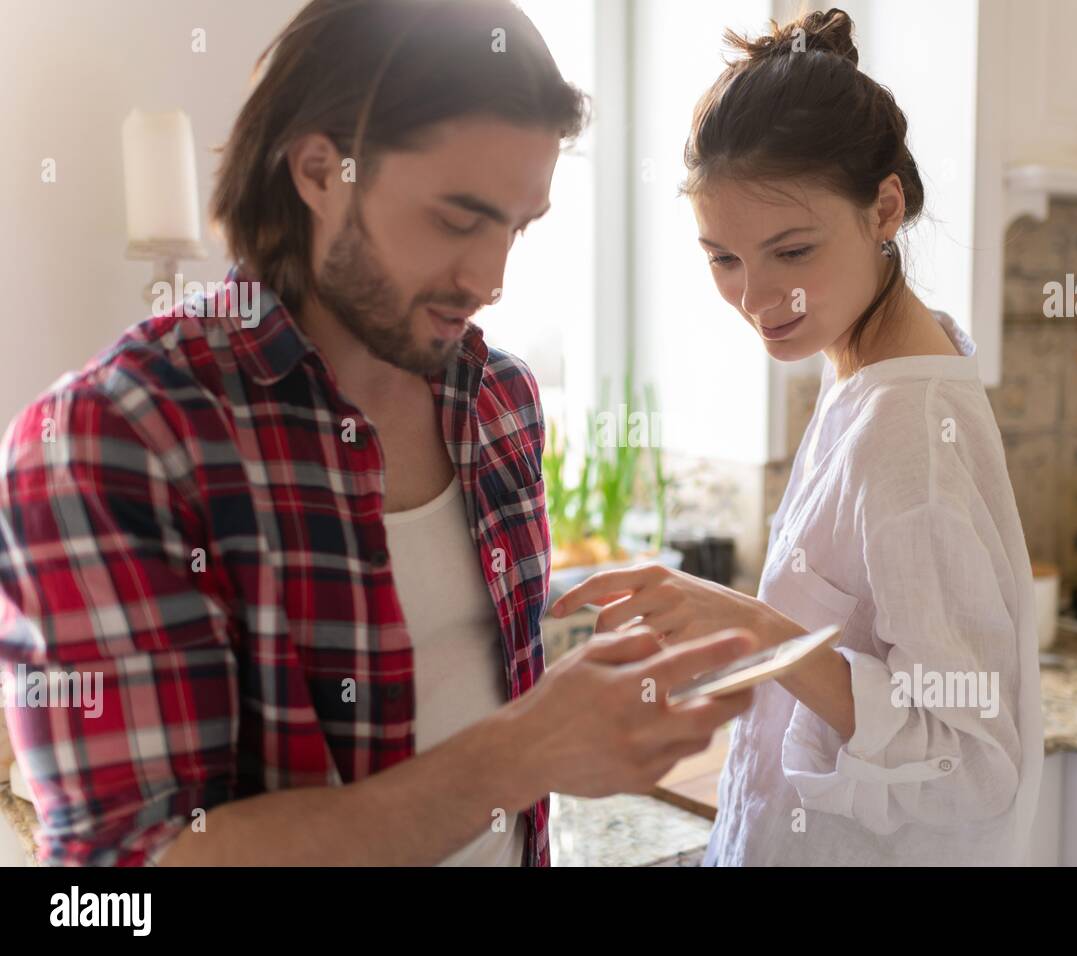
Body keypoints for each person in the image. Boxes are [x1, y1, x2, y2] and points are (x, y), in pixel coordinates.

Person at [0, 0, 754, 867]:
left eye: (517, 226)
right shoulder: (111, 441)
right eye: (457, 217)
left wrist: (587, 692)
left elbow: (464, 686)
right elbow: (124, 879)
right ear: (319, 170)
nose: (491, 276)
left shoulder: (498, 399)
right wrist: (522, 752)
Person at [551, 8, 1043, 866]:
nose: (753, 296)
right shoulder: (861, 364)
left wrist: (753, 629)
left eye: (791, 250)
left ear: (884, 207)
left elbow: (973, 763)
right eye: (723, 258)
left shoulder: (909, 434)